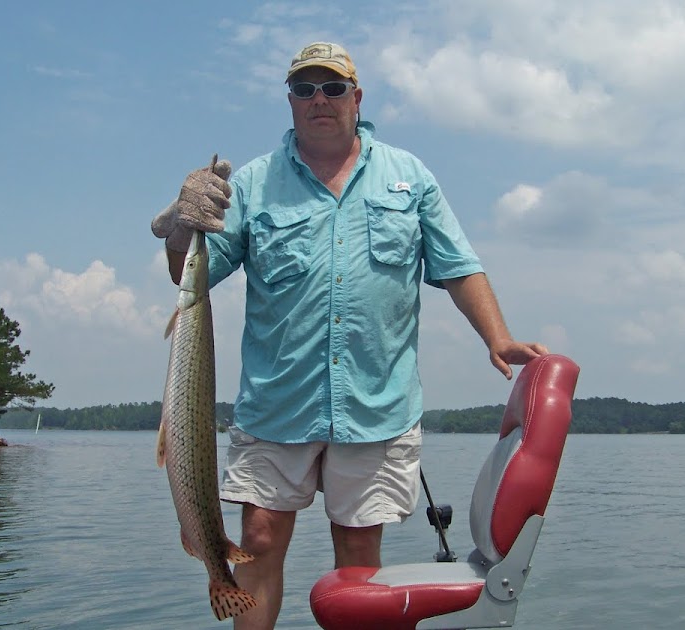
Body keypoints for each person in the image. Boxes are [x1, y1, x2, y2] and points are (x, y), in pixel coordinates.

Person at [152, 41, 548, 629]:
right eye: (304, 88)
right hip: (276, 404)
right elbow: (188, 273)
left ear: (356, 99)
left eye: (332, 88)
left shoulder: (408, 177)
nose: (319, 99)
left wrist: (498, 337)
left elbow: (459, 265)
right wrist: (180, 226)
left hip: (376, 405)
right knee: (257, 538)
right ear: (289, 101)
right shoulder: (255, 184)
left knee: (360, 555)